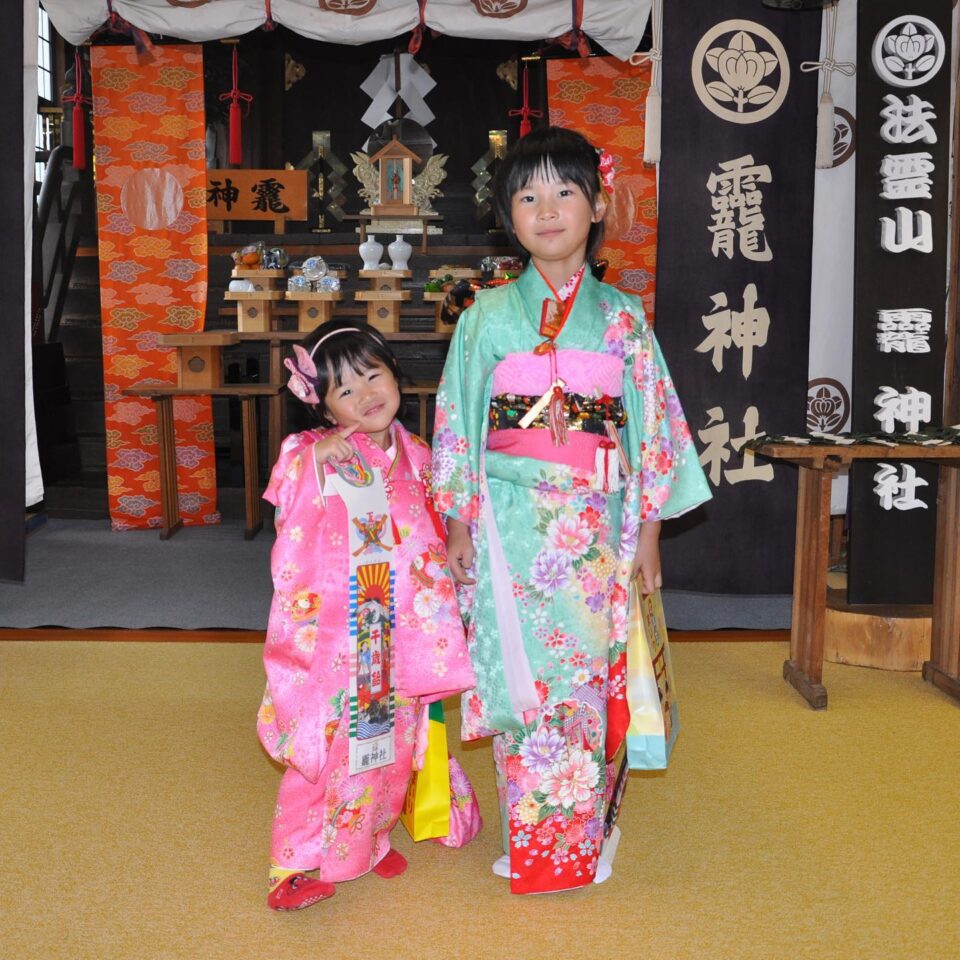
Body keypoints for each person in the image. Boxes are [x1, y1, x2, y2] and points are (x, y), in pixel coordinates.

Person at [431, 127, 711, 895]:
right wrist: (456, 519)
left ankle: (580, 833)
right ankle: (540, 835)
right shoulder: (485, 316)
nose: (546, 209)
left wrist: (651, 533)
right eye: (527, 196)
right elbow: (457, 419)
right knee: (523, 678)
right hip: (508, 526)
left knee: (585, 679)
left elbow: (654, 431)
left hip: (595, 530)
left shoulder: (622, 318)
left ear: (596, 207)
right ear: (508, 217)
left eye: (564, 192)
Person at [258, 319, 475, 911]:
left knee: (392, 742)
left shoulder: (419, 453)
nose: (365, 395)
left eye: (372, 375)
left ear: (394, 373)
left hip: (400, 634)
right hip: (344, 636)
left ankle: (367, 844)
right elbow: (291, 523)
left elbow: (435, 533)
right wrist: (314, 466)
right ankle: (295, 862)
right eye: (344, 391)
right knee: (328, 745)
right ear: (320, 406)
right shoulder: (309, 453)